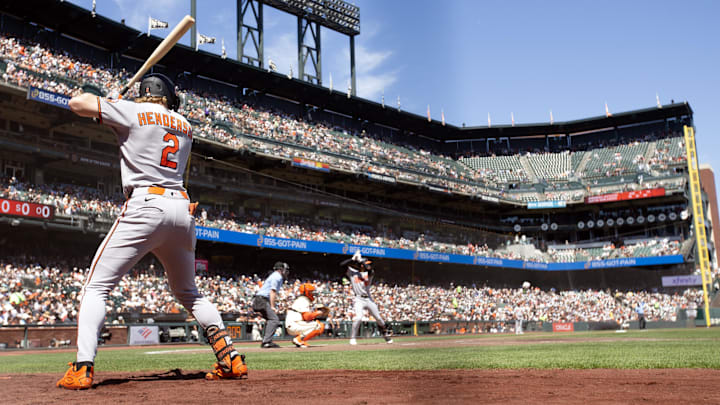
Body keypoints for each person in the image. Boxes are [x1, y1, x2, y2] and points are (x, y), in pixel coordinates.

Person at [56, 74, 247, 390]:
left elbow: (77, 103)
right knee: (189, 292)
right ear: (170, 97)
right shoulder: (184, 124)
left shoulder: (131, 110)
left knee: (96, 287)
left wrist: (109, 99)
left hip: (145, 203)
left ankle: (82, 367)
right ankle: (231, 358)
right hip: (181, 209)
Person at [341, 251, 393, 345]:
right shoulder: (353, 273)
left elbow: (369, 270)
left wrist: (361, 261)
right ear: (360, 265)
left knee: (379, 318)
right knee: (358, 318)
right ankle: (352, 338)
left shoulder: (369, 273)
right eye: (365, 264)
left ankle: (385, 335)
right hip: (358, 299)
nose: (368, 266)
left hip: (368, 299)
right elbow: (341, 265)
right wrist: (353, 259)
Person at [252, 261, 289, 348]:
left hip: (259, 300)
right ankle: (266, 341)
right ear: (280, 270)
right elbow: (272, 291)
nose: (286, 271)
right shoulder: (277, 277)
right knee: (274, 320)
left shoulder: (274, 276)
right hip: (262, 300)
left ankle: (266, 340)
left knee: (271, 319)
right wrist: (272, 306)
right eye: (285, 269)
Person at [285, 283, 326, 348]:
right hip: (294, 324)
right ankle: (299, 339)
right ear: (306, 292)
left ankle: (298, 339)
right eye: (311, 292)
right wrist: (318, 312)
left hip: (293, 323)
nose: (312, 294)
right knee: (319, 326)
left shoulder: (301, 299)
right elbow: (306, 317)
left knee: (317, 324)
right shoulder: (304, 300)